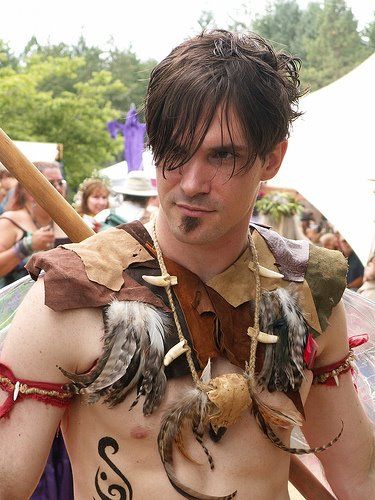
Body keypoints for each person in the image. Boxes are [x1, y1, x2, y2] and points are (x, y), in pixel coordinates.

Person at [0, 30, 374, 500]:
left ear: (272, 158)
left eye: (222, 155)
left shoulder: (306, 291)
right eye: (175, 150)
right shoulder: (73, 294)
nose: (192, 183)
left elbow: (359, 478)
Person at [0, 161, 68, 287]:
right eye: (51, 183)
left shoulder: (68, 221)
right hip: (19, 303)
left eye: (60, 182)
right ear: (29, 189)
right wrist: (26, 245)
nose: (58, 188)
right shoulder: (10, 221)